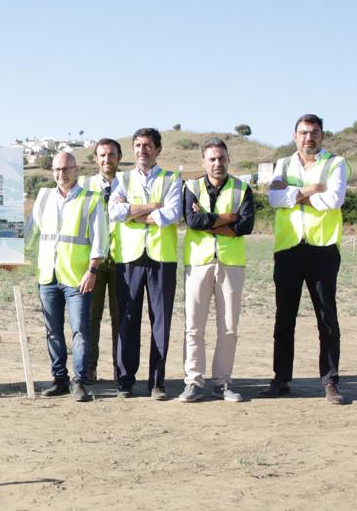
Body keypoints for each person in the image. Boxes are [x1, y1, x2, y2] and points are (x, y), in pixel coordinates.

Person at [265, 114, 351, 404]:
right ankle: (281, 379)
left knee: (326, 319)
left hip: (322, 250)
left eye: (314, 133)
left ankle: (330, 381)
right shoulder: (283, 164)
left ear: (322, 135)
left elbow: (334, 200)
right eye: (303, 133)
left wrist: (292, 194)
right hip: (288, 248)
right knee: (283, 319)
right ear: (294, 136)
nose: (308, 138)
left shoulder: (335, 163)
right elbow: (274, 199)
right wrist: (313, 189)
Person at [108, 128, 184, 399]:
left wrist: (133, 213)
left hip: (162, 259)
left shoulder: (172, 178)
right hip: (129, 258)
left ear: (158, 149)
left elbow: (173, 214)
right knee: (128, 320)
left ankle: (157, 382)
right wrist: (153, 207)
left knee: (160, 322)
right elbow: (115, 211)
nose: (143, 150)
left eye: (148, 145)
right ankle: (126, 380)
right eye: (138, 145)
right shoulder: (123, 179)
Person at [179, 138, 255, 403]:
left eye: (221, 158)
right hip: (198, 263)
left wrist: (210, 222)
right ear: (203, 162)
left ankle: (222, 382)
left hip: (231, 264)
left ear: (228, 160)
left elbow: (246, 225)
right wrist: (227, 219)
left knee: (229, 328)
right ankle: (193, 382)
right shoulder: (191, 186)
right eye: (212, 159)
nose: (217, 163)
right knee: (194, 327)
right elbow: (192, 220)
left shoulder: (241, 188)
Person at [31, 149, 108, 401]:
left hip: (77, 276)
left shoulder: (91, 199)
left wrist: (92, 270)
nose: (61, 173)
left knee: (80, 330)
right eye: (56, 169)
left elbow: (100, 239)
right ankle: (59, 379)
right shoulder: (43, 198)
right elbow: (30, 233)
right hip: (48, 276)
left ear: (76, 170)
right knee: (52, 331)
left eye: (66, 169)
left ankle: (79, 380)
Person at [81, 138, 124, 386]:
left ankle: (121, 372)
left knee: (121, 318)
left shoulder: (129, 184)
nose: (107, 159)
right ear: (96, 159)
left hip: (122, 260)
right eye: (102, 155)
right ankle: (89, 370)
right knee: (90, 318)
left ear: (119, 157)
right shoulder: (85, 186)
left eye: (111, 155)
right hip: (93, 262)